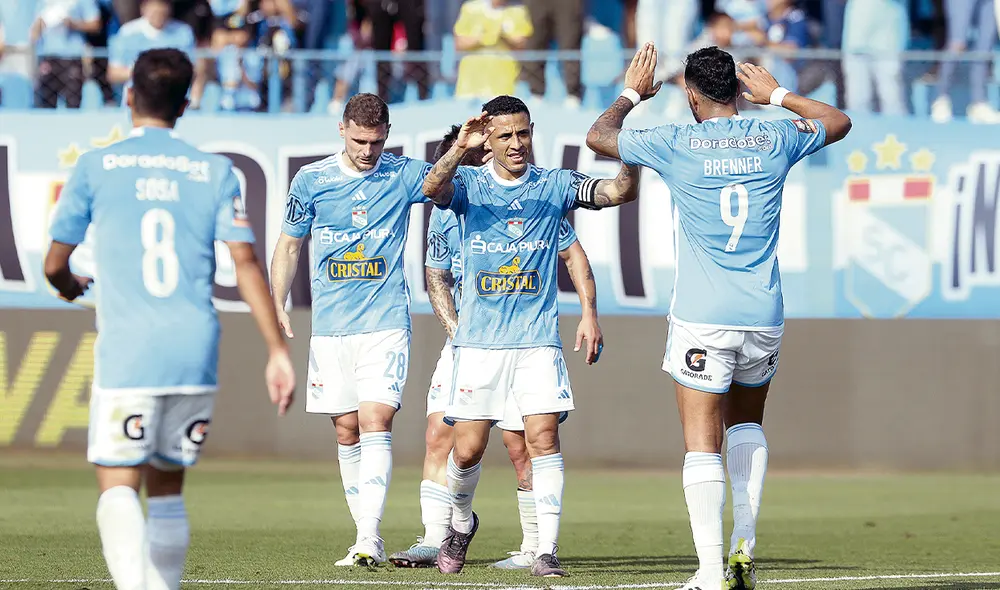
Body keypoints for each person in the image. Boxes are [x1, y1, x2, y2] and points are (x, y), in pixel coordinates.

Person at [585, 44, 851, 590]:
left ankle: (709, 572)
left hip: (703, 317)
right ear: (738, 89)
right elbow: (837, 121)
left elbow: (600, 136)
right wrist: (776, 95)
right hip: (763, 314)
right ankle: (743, 549)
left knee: (701, 443)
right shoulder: (775, 134)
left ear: (691, 94)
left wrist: (633, 93)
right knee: (748, 424)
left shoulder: (677, 141)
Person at [43, 47, 295, 590]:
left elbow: (55, 264)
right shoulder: (214, 170)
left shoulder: (96, 165)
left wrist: (68, 287)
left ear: (129, 96)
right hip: (194, 349)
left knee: (117, 485)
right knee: (167, 490)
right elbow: (245, 263)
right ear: (185, 105)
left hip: (129, 350)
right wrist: (277, 350)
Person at [422, 95, 638, 577]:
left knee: (543, 439)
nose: (517, 144)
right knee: (467, 450)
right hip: (479, 345)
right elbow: (432, 186)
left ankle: (546, 550)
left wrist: (631, 150)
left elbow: (618, 192)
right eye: (505, 136)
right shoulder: (469, 185)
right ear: (488, 140)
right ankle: (459, 524)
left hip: (538, 342)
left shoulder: (554, 186)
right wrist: (460, 147)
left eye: (523, 133)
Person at [388, 124, 598, 572]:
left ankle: (538, 546)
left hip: (525, 339)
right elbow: (437, 276)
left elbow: (572, 250)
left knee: (527, 445)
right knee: (446, 440)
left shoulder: (535, 200)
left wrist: (588, 311)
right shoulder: (448, 209)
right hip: (467, 341)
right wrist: (456, 332)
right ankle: (438, 535)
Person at [269, 92, 431, 568]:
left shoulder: (402, 174)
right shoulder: (312, 179)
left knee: (376, 419)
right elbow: (289, 244)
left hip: (384, 323)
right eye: (360, 140)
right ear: (342, 129)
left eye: (377, 142)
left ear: (387, 136)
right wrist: (278, 299)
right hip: (331, 327)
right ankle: (364, 535)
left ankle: (368, 537)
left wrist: (462, 150)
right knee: (345, 430)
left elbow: (446, 185)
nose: (367, 151)